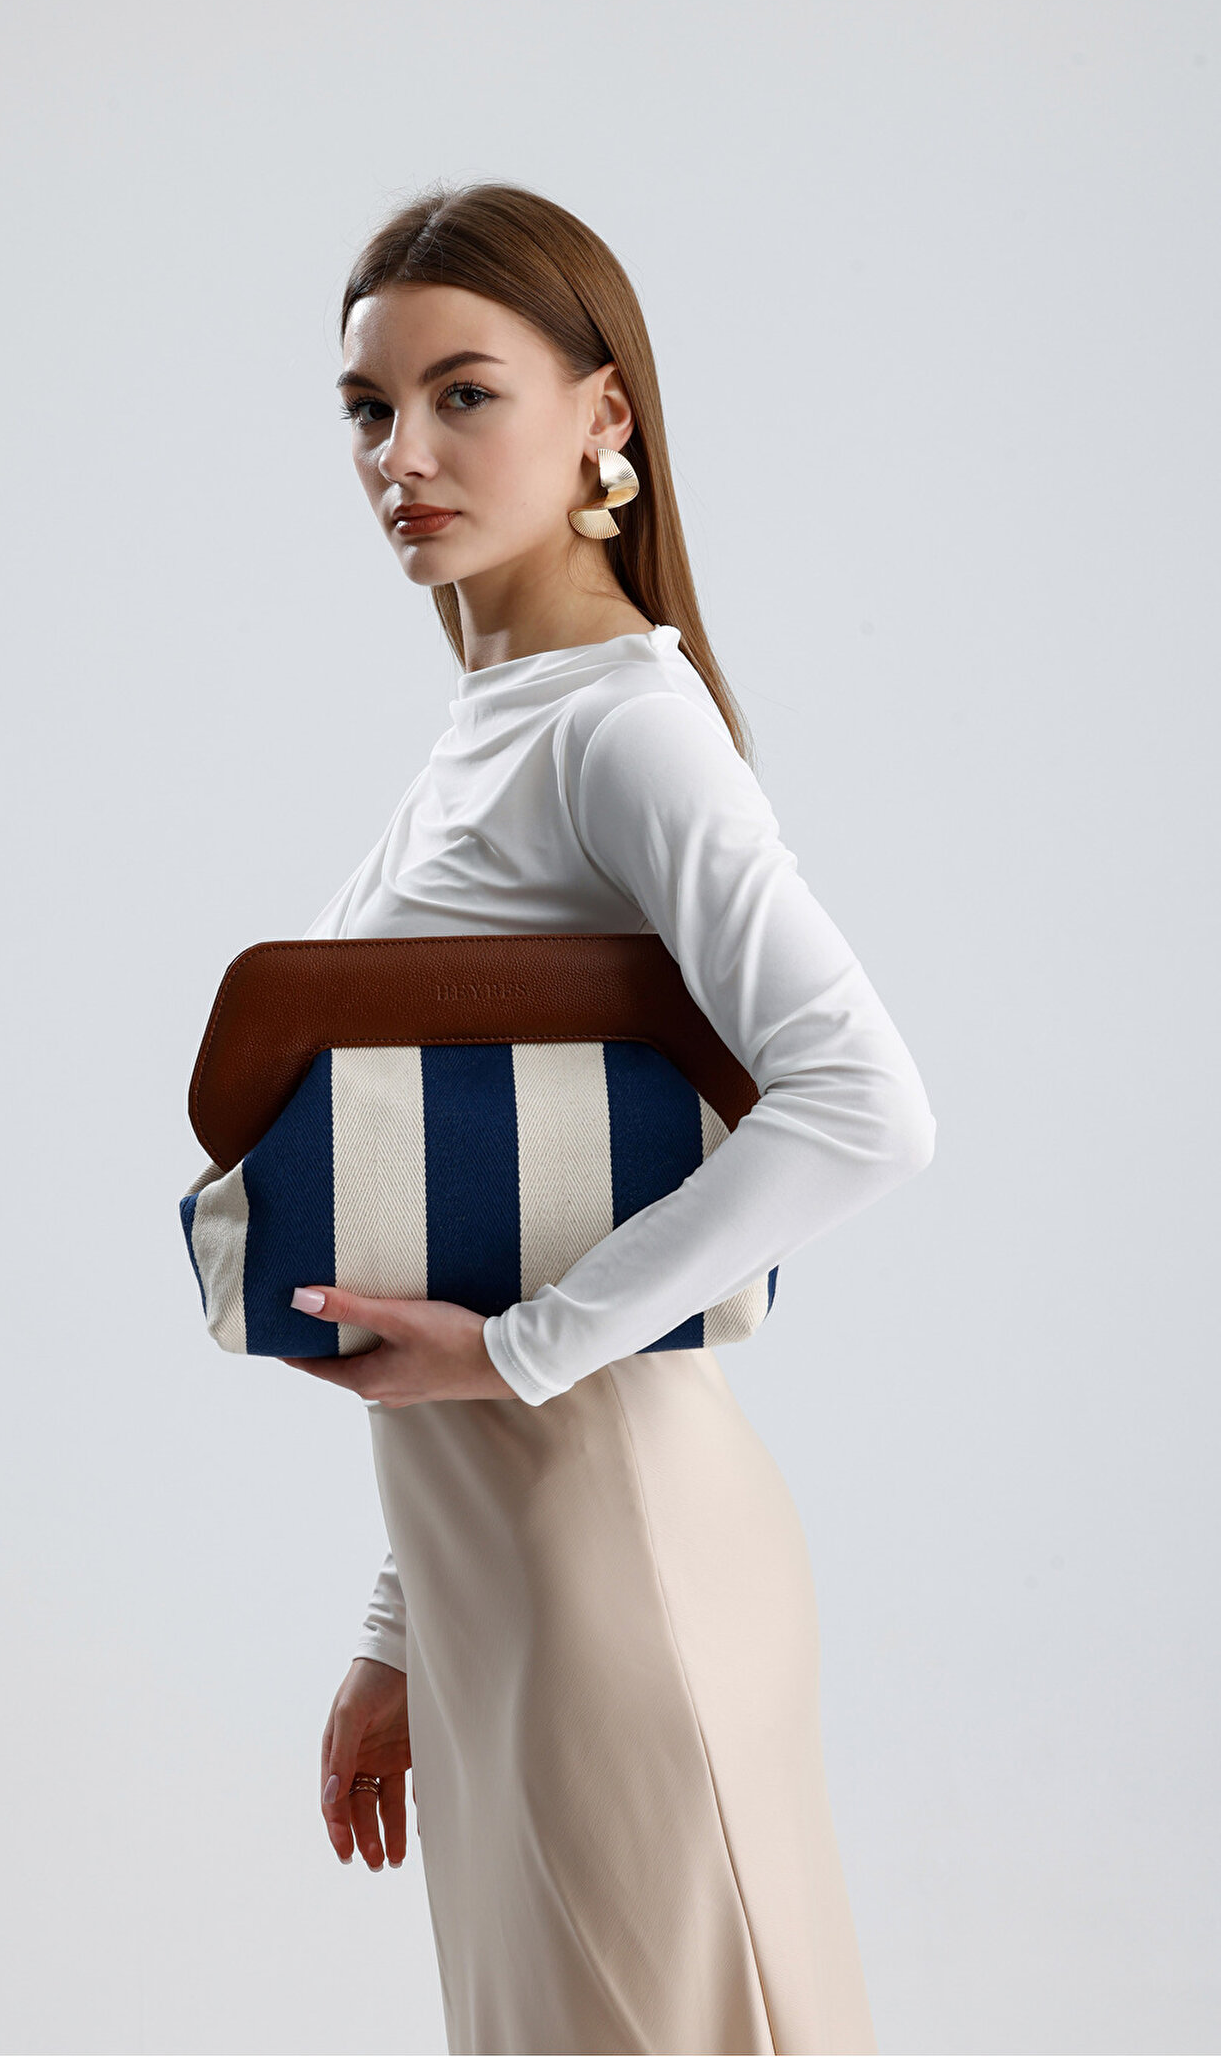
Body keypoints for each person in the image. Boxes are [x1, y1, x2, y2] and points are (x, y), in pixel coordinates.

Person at [278, 180, 936, 2057]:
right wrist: (404, 1626)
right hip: (502, 1576)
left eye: (463, 395)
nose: (402, 455)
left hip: (617, 1560)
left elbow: (864, 1105)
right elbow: (477, 1218)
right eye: (369, 408)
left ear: (603, 418)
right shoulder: (494, 724)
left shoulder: (621, 726)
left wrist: (519, 1353)